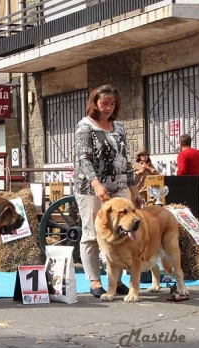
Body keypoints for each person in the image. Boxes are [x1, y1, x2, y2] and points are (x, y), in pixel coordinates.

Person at [73, 84, 144, 298]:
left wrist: (135, 191)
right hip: (90, 188)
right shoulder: (85, 126)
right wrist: (95, 184)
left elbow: (125, 161)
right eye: (104, 103)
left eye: (112, 104)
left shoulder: (119, 127)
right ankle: (94, 280)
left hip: (119, 186)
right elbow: (83, 158)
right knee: (92, 233)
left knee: (123, 233)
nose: (108, 108)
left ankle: (116, 280)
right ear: (95, 103)